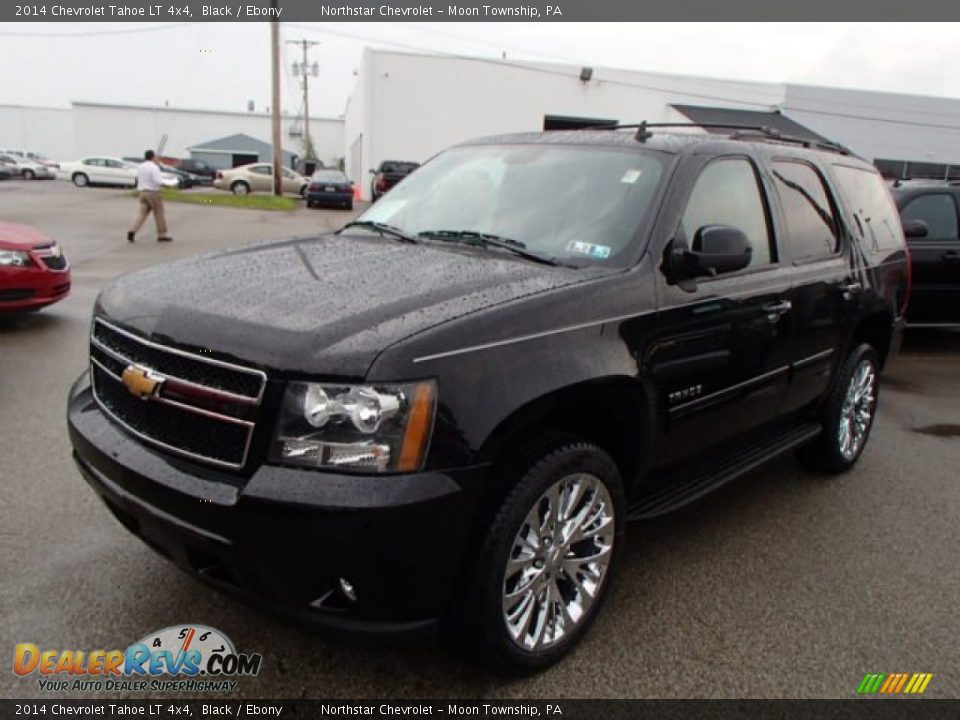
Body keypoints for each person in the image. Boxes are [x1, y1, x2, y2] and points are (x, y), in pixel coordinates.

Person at [127, 150, 172, 243]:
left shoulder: (140, 167)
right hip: (153, 193)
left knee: (142, 214)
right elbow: (157, 181)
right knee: (159, 213)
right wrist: (166, 185)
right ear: (153, 157)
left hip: (143, 192)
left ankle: (132, 231)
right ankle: (161, 234)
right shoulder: (154, 167)